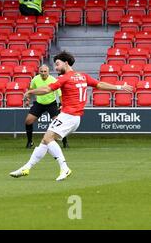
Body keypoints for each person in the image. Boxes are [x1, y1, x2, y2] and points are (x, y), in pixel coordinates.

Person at [10, 51, 133, 181]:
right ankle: (26, 167)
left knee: (48, 138)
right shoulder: (83, 76)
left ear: (66, 63)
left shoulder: (64, 78)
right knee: (44, 141)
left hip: (68, 115)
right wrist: (120, 87)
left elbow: (46, 90)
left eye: (57, 64)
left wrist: (30, 92)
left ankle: (64, 168)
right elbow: (100, 85)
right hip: (74, 117)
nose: (56, 68)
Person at [25, 65, 68, 149]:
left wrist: (62, 104)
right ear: (39, 72)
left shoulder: (53, 80)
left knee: (59, 123)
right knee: (28, 121)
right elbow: (30, 90)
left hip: (51, 104)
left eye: (45, 71)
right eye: (42, 71)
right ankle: (30, 142)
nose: (43, 73)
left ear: (48, 72)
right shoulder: (35, 79)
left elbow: (60, 94)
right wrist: (28, 100)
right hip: (39, 103)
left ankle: (65, 142)